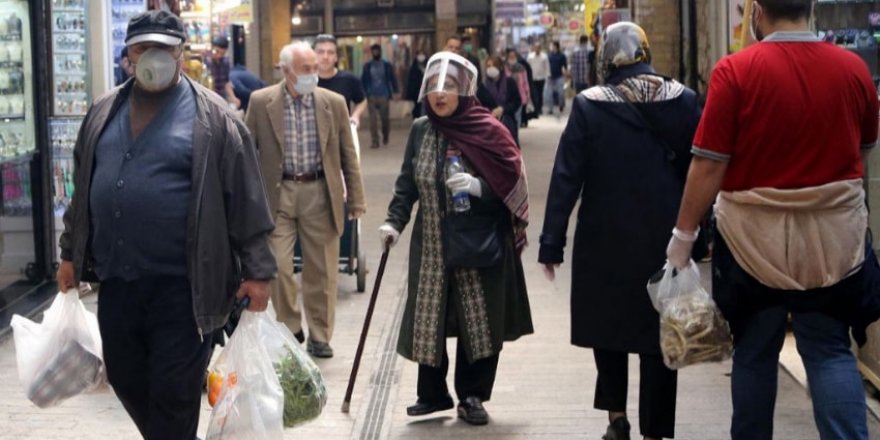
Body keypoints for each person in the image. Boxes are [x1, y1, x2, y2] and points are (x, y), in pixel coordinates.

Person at [56, 10, 277, 439]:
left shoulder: (216, 119)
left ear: (180, 53)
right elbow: (82, 193)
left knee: (174, 390)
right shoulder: (103, 111)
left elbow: (247, 201)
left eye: (163, 48)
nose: (151, 57)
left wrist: (258, 272)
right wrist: (70, 253)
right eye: (142, 48)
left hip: (185, 288)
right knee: (122, 375)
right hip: (118, 282)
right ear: (128, 56)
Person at [667, 1, 879, 439]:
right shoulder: (853, 70)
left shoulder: (735, 72)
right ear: (813, 9)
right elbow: (861, 154)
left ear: (758, 12)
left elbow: (708, 165)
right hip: (831, 244)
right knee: (830, 349)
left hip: (751, 243)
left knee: (754, 352)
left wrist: (682, 238)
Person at [539, 22, 702, 440]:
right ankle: (655, 432)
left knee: (607, 331)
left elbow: (566, 177)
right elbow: (701, 170)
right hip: (665, 241)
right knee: (659, 336)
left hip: (603, 241)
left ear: (604, 60)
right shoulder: (684, 101)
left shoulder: (590, 105)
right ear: (646, 53)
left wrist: (551, 242)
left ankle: (617, 418)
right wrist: (703, 233)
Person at [379, 51, 533, 426]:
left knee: (478, 321)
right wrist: (393, 223)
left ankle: (472, 395)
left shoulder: (489, 130)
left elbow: (513, 183)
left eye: (449, 86)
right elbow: (406, 186)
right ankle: (432, 395)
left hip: (479, 243)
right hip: (431, 244)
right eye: (433, 86)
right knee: (429, 319)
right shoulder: (420, 130)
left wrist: (480, 187)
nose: (440, 94)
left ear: (465, 90)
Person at [246, 42, 366, 359]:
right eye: (306, 69)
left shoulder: (333, 102)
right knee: (280, 268)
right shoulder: (261, 102)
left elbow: (347, 155)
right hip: (278, 193)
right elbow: (246, 155)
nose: (313, 74)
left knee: (322, 271)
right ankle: (290, 328)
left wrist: (356, 198)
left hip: (319, 192)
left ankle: (320, 336)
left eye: (315, 68)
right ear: (286, 71)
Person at [315, 34, 368, 127]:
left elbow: (362, 101)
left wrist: (355, 116)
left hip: (341, 133)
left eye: (330, 52)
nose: (325, 57)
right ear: (313, 55)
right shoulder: (305, 80)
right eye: (320, 52)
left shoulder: (349, 79)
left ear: (336, 57)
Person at [361, 43, 398, 149]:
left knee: (385, 119)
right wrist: (363, 94)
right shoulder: (367, 66)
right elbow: (363, 80)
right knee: (372, 121)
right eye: (374, 51)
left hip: (384, 95)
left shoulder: (386, 65)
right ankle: (375, 141)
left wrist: (395, 92)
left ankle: (385, 135)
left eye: (377, 51)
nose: (375, 53)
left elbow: (392, 78)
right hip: (371, 96)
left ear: (380, 52)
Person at [483, 55, 521, 143]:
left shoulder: (510, 83)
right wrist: (491, 112)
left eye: (494, 66)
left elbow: (517, 101)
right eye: (488, 66)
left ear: (500, 67)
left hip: (508, 123)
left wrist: (503, 109)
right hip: (489, 125)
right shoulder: (483, 86)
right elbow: (479, 105)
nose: (491, 69)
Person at [504, 48, 530, 130]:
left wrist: (527, 92)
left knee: (517, 116)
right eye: (510, 56)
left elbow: (525, 82)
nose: (512, 58)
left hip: (520, 95)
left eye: (513, 56)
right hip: (507, 96)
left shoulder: (521, 68)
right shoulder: (504, 68)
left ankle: (516, 132)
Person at [545, 41, 567, 116]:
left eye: (553, 46)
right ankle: (550, 109)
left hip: (559, 76)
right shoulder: (549, 55)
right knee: (549, 94)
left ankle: (561, 105)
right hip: (550, 77)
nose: (552, 47)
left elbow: (565, 66)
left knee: (561, 93)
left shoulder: (561, 55)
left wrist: (566, 73)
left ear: (556, 46)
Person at [527, 43, 549, 116]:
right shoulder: (530, 57)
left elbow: (547, 67)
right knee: (535, 94)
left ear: (540, 48)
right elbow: (528, 67)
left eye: (538, 48)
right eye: (536, 47)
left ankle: (539, 108)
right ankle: (535, 109)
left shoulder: (544, 57)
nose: (537, 49)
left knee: (540, 94)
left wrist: (547, 76)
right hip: (533, 78)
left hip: (541, 78)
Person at [406, 50, 428, 118]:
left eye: (422, 54)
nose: (421, 56)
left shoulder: (428, 65)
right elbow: (411, 80)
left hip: (427, 91)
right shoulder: (414, 67)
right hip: (416, 92)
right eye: (419, 54)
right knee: (418, 108)